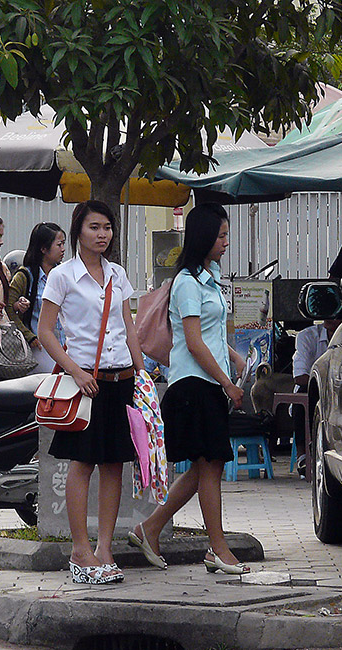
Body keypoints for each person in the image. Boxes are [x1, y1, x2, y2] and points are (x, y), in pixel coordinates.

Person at [128, 203, 251, 575]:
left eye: (227, 235)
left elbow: (208, 333)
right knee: (210, 467)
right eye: (221, 235)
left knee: (203, 469)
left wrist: (234, 357)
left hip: (209, 382)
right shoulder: (186, 282)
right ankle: (217, 549)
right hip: (194, 384)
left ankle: (148, 528)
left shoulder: (209, 277)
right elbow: (193, 342)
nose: (226, 242)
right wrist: (228, 382)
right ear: (203, 238)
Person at [37, 200, 145, 585]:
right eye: (94, 227)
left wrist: (141, 369)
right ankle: (80, 550)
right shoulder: (63, 276)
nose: (102, 235)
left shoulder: (117, 273)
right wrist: (76, 371)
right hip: (85, 383)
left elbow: (128, 325)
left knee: (115, 463)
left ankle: (105, 549)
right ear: (78, 231)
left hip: (122, 380)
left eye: (107, 228)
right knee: (81, 464)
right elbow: (46, 332)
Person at [6, 222, 66, 373]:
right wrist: (29, 336)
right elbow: (8, 306)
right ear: (44, 249)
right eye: (59, 244)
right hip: (40, 349)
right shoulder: (25, 276)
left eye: (63, 244)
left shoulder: (63, 275)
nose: (63, 249)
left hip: (66, 345)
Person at [290, 317, 342, 474]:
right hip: (316, 391)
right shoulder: (307, 336)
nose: (330, 317)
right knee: (303, 397)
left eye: (336, 313)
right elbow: (299, 375)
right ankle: (303, 457)